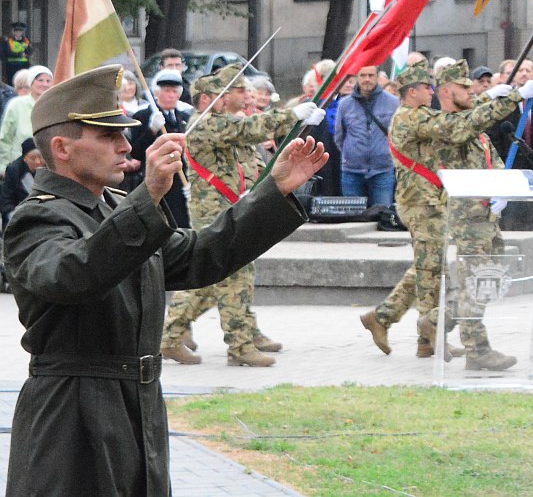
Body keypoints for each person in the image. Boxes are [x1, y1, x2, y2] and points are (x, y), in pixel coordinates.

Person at [5, 64, 325, 497]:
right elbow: (73, 275)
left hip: (140, 405)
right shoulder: (38, 216)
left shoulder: (114, 207)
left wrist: (274, 191)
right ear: (61, 147)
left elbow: (200, 254)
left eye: (123, 134)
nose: (125, 144)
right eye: (108, 136)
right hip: (73, 413)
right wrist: (148, 196)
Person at [359, 62, 532, 367]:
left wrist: (489, 96)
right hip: (421, 201)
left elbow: (462, 119)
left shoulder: (427, 114)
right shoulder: (410, 117)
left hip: (436, 198)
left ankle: (404, 322)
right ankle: (429, 335)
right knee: (431, 269)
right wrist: (509, 98)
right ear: (412, 92)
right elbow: (455, 125)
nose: (431, 91)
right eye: (427, 87)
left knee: (431, 266)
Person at [160, 67, 325, 366]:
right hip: (215, 210)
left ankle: (183, 335)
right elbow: (246, 131)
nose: (245, 94)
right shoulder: (205, 125)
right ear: (213, 99)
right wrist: (292, 115)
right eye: (236, 90)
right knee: (231, 274)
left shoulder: (232, 123)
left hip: (234, 205)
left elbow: (255, 140)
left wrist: (298, 127)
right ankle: (238, 345)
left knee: (229, 273)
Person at [122, 69, 193, 227]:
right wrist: (151, 130)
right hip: (157, 180)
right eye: (167, 91)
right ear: (157, 92)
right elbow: (137, 152)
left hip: (181, 182)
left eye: (175, 91)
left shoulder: (185, 118)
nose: (171, 95)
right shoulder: (143, 116)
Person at [334, 63, 400, 208]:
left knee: (383, 215)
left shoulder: (393, 103)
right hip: (352, 170)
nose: (367, 79)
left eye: (371, 75)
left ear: (377, 77)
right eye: (363, 75)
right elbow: (339, 136)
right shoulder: (345, 104)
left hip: (382, 169)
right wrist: (351, 153)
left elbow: (398, 135)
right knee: (352, 217)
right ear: (357, 77)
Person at [0, 66, 52, 167]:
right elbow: (5, 138)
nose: (44, 84)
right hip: (19, 165)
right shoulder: (16, 104)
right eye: (40, 80)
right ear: (31, 82)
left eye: (48, 81)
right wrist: (3, 166)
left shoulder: (54, 105)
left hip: (47, 165)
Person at [0, 138, 43, 224]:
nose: (38, 162)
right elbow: (6, 201)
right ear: (25, 159)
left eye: (40, 157)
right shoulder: (14, 170)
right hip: (20, 215)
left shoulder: (50, 167)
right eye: (33, 158)